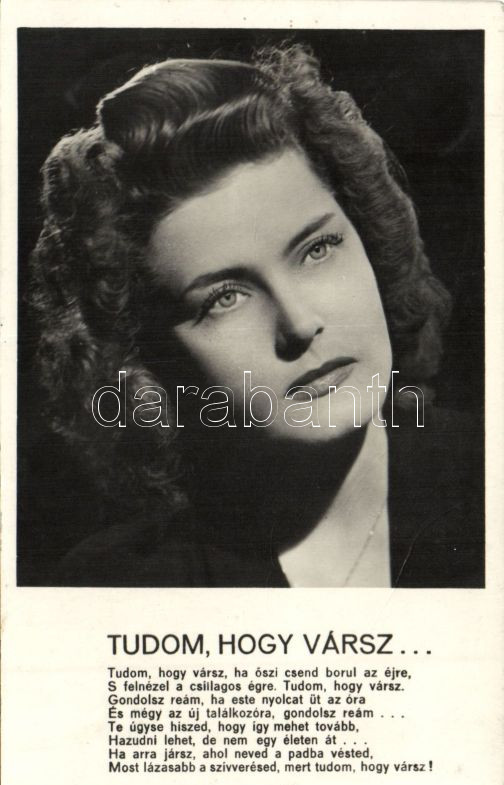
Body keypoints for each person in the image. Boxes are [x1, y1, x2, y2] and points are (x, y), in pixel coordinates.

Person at [28, 44, 483, 588]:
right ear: (147, 363)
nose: (299, 324)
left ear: (369, 237)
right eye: (224, 297)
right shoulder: (117, 584)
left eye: (317, 249)